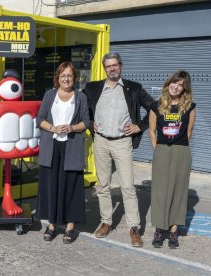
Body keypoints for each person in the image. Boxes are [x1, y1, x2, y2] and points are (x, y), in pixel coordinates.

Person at [84, 52, 154, 247]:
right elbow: (80, 105)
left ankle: (134, 228)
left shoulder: (134, 88)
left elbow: (155, 107)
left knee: (127, 187)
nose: (112, 69)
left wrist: (140, 126)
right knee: (103, 185)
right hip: (101, 141)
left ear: (120, 66)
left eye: (115, 65)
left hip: (123, 142)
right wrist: (89, 123)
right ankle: (106, 222)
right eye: (108, 66)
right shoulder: (93, 88)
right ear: (104, 68)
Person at [36, 62, 90, 244]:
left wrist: (72, 127)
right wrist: (53, 128)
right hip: (52, 147)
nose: (66, 79)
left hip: (71, 145)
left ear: (74, 78)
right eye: (63, 76)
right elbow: (40, 119)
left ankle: (69, 227)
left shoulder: (80, 97)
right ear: (57, 78)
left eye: (69, 76)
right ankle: (51, 225)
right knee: (51, 186)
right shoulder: (50, 95)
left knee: (71, 187)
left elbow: (86, 121)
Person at [149, 70, 196, 249]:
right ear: (168, 83)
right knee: (160, 191)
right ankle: (160, 229)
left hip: (181, 151)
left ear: (185, 88)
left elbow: (189, 132)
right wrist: (158, 149)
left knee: (179, 190)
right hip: (162, 150)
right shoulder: (157, 105)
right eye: (173, 83)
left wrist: (178, 147)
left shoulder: (190, 107)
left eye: (180, 84)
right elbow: (152, 131)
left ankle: (174, 230)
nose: (175, 87)